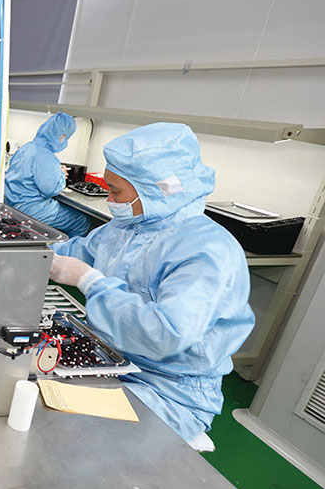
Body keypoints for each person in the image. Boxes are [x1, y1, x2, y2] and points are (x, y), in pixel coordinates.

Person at [48, 123, 255, 446]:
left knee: (66, 436)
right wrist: (26, 249)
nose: (109, 198)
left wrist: (90, 281)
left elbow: (166, 333)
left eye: (116, 191)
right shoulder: (128, 227)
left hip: (168, 390)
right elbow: (77, 252)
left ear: (156, 189)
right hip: (112, 359)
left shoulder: (207, 252)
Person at [4, 113, 91, 238]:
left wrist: (56, 171)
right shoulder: (46, 156)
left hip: (11, 204)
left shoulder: (26, 148)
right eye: (66, 137)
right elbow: (50, 190)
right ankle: (63, 249)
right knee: (81, 221)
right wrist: (61, 175)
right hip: (31, 209)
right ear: (61, 136)